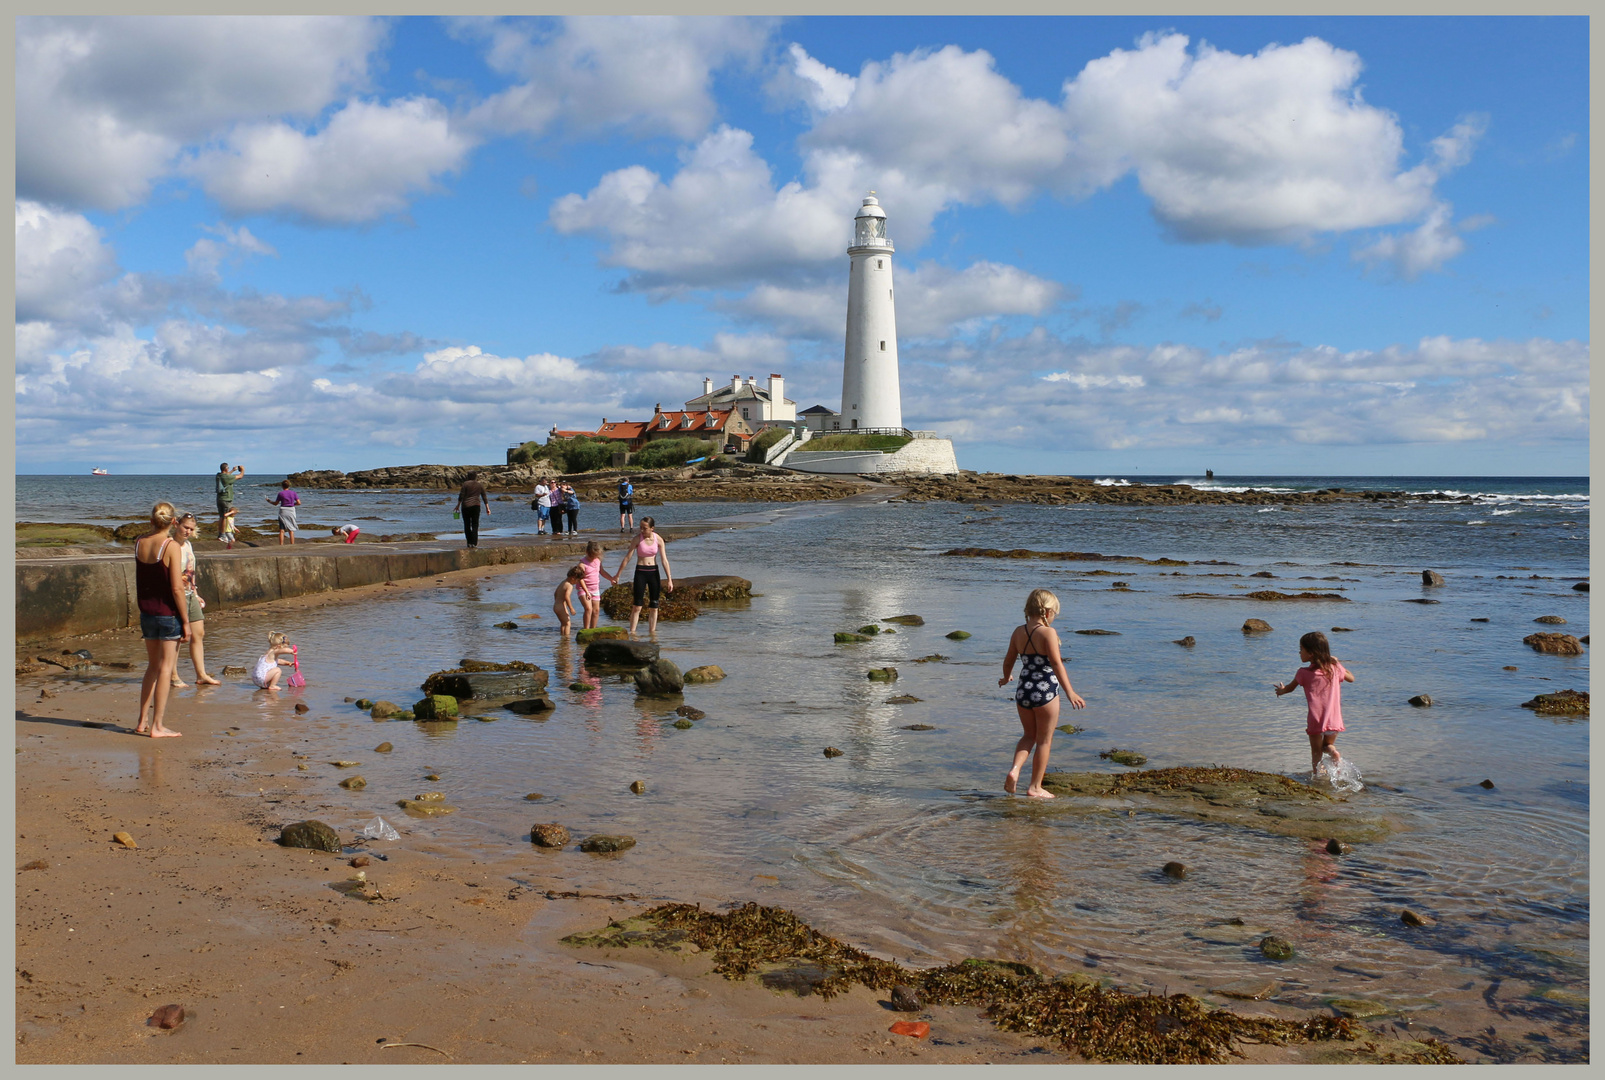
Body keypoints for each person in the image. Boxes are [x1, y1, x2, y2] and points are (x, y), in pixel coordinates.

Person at [998, 589, 1085, 798]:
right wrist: (1070, 692)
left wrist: (1006, 677)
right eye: (1054, 613)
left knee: (1028, 735)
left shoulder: (1018, 632)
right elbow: (1056, 664)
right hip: (1045, 690)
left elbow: (1009, 659)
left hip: (1023, 689)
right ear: (1047, 612)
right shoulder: (1048, 633)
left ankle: (1015, 770)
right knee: (1044, 740)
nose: (1054, 617)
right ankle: (1035, 787)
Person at [132, 502, 188, 737]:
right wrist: (186, 621)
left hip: (147, 613)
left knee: (152, 667)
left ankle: (142, 721)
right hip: (167, 613)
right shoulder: (171, 546)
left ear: (152, 520)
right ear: (173, 522)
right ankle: (157, 726)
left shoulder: (139, 543)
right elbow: (176, 589)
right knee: (165, 669)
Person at [1275, 630, 1356, 781]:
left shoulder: (1303, 673)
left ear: (1311, 653)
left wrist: (1280, 691)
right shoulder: (1335, 669)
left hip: (1316, 719)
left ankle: (1318, 778)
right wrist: (1336, 662)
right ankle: (1333, 753)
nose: (1299, 652)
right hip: (1334, 720)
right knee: (1327, 746)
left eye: (1301, 649)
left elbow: (1289, 689)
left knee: (1316, 753)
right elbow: (1351, 678)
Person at [168, 513, 220, 688]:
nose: (188, 531)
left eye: (191, 529)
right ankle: (173, 675)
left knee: (199, 633)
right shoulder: (170, 545)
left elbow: (191, 572)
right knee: (176, 637)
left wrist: (196, 593)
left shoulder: (188, 545)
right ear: (176, 525)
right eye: (185, 527)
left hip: (191, 595)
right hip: (175, 596)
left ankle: (201, 674)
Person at [611, 517, 674, 637]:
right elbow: (627, 558)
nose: (642, 530)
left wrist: (670, 579)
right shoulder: (637, 539)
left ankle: (652, 634)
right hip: (640, 572)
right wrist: (617, 575)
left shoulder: (658, 539)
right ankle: (633, 633)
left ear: (652, 528)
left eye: (644, 528)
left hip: (653, 572)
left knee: (654, 606)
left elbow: (664, 561)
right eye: (640, 528)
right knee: (637, 606)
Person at [578, 540, 615, 630]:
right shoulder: (582, 563)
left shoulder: (597, 561)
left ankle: (593, 629)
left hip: (595, 589)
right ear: (587, 552)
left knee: (596, 610)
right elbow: (580, 579)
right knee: (588, 609)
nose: (593, 558)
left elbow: (602, 572)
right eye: (591, 556)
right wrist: (586, 592)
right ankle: (585, 629)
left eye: (595, 556)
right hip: (583, 589)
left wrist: (611, 579)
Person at [454, 472, 489, 548]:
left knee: (467, 525)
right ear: (475, 477)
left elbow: (461, 496)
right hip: (476, 506)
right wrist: (487, 508)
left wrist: (457, 505)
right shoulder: (479, 485)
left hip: (466, 506)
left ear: (468, 476)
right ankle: (474, 543)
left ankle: (469, 542)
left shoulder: (465, 484)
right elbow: (484, 496)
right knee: (475, 525)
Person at [553, 565, 584, 638]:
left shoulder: (563, 582)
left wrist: (558, 602)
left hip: (556, 606)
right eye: (578, 580)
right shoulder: (569, 585)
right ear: (573, 578)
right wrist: (571, 608)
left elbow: (555, 593)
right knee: (567, 624)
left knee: (563, 624)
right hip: (561, 607)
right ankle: (566, 640)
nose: (577, 583)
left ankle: (563, 638)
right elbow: (567, 596)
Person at [215, 462, 244, 537]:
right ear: (225, 469)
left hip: (219, 499)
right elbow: (240, 476)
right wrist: (243, 470)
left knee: (221, 516)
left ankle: (220, 534)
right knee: (226, 517)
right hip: (226, 499)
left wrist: (232, 470)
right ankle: (224, 534)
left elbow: (226, 475)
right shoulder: (227, 478)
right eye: (228, 468)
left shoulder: (218, 475)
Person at [267, 480, 299, 544]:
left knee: (282, 529)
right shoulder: (293, 493)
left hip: (283, 510)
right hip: (291, 510)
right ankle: (292, 544)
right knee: (291, 529)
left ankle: (281, 544)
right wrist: (292, 504)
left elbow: (276, 503)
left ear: (282, 486)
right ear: (289, 485)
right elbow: (299, 502)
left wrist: (269, 501)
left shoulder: (281, 493)